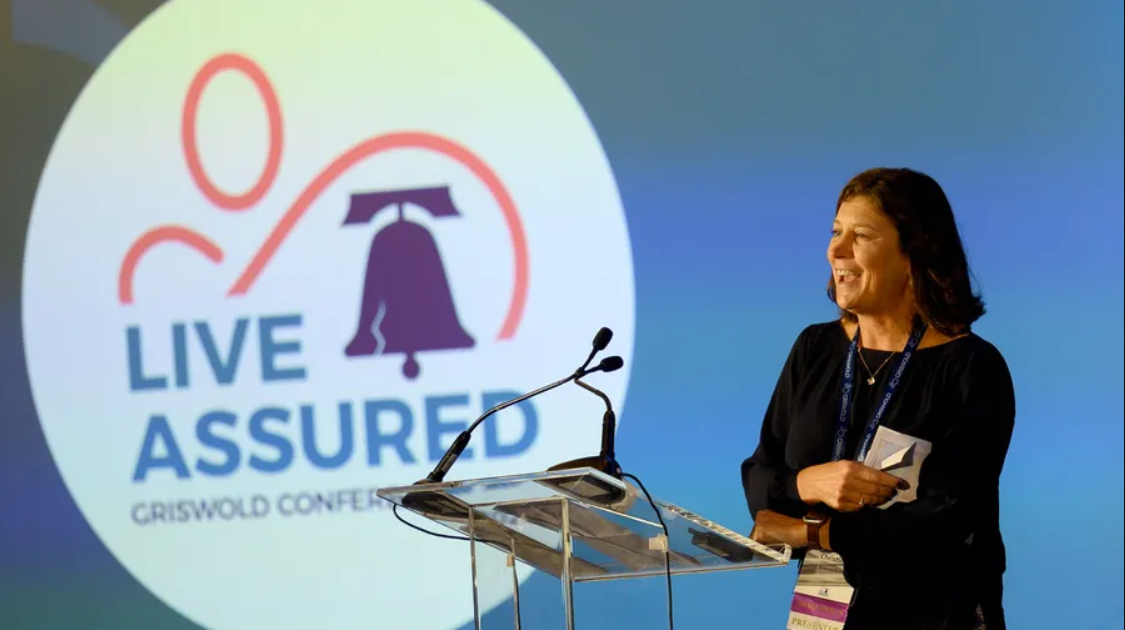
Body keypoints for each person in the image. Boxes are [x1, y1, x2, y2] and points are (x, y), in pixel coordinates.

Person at [742, 167, 1015, 630]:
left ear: (914, 253)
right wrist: (809, 484)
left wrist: (816, 532)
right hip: (823, 610)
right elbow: (761, 477)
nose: (836, 250)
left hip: (937, 615)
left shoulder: (972, 367)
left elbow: (947, 520)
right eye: (835, 231)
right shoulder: (815, 349)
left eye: (861, 234)